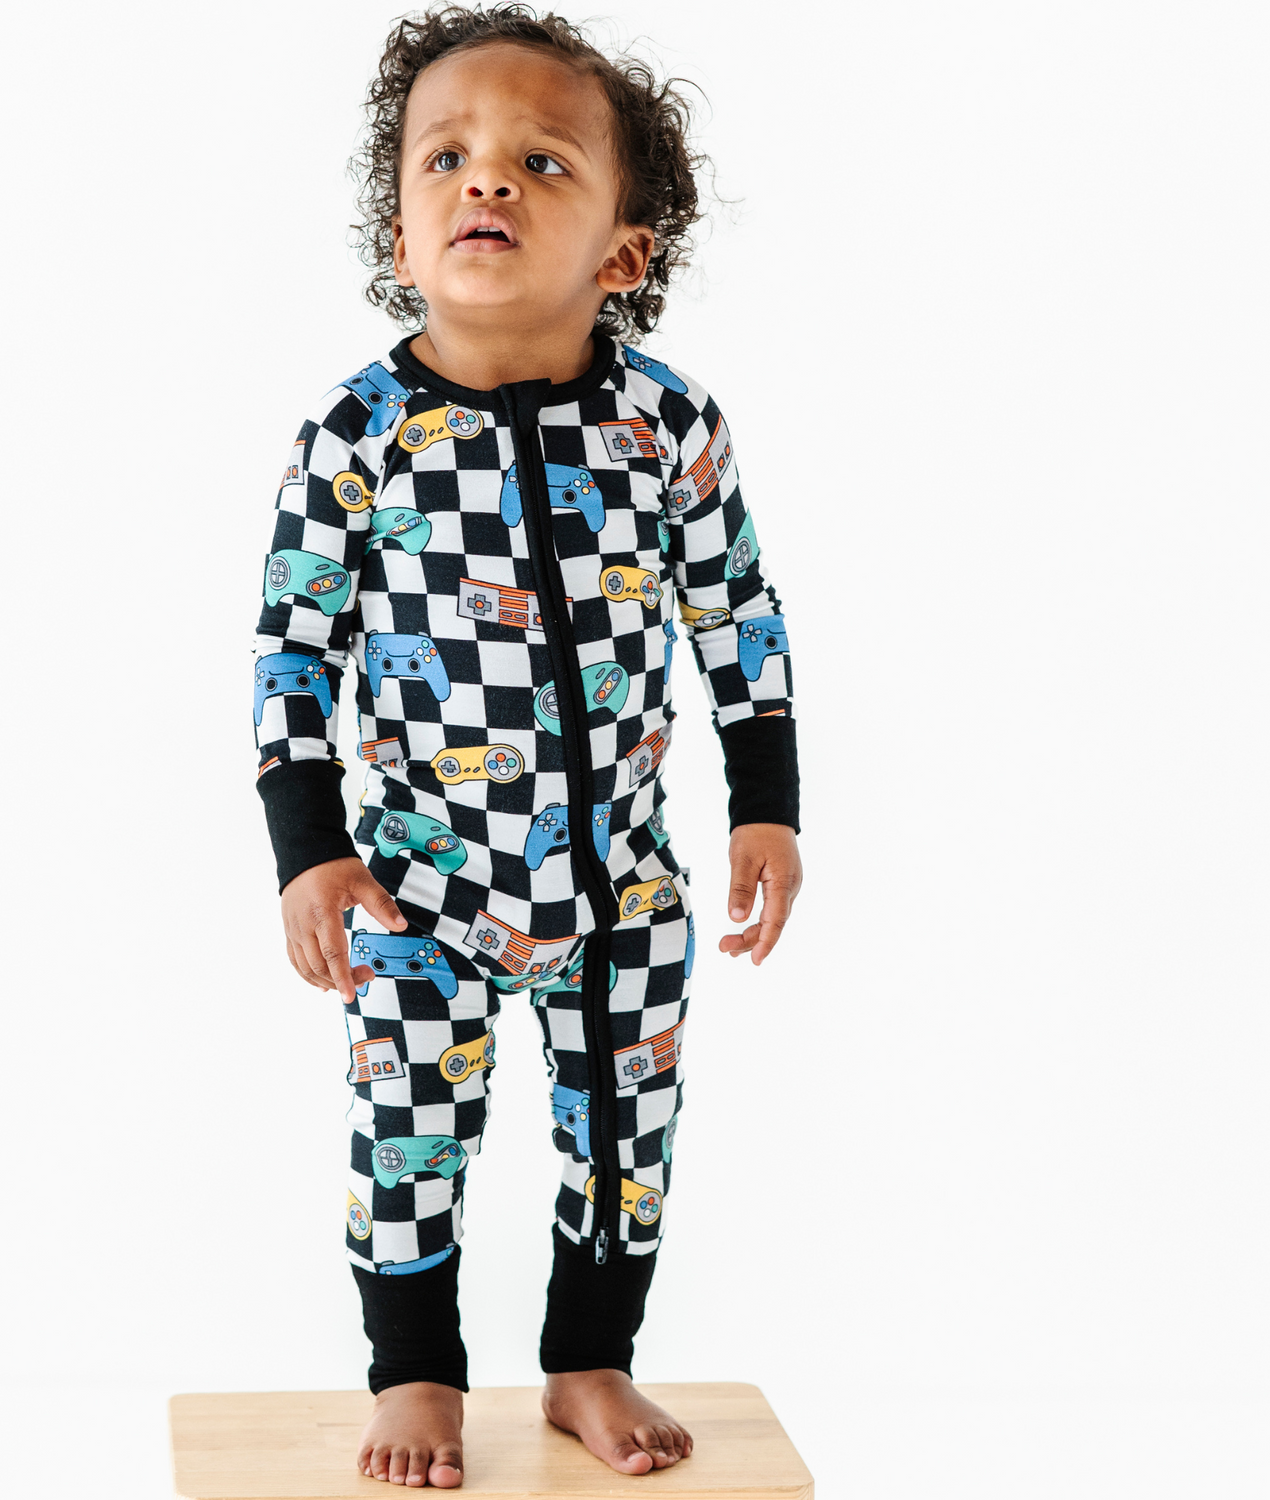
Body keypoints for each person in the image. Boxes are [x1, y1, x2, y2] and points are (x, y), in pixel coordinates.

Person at [253, 5, 802, 1487]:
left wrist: (767, 806)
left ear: (624, 252)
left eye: (541, 161)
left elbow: (737, 614)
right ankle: (416, 1374)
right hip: (418, 886)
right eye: (448, 158)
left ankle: (587, 1362)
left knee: (628, 1136)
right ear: (402, 231)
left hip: (623, 883)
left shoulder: (668, 425)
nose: (485, 180)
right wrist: (311, 853)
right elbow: (293, 652)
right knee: (409, 1131)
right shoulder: (358, 435)